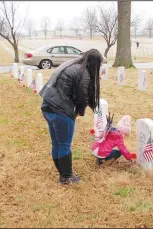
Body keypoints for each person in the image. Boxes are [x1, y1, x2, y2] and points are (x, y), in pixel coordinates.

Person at [39, 49, 103, 185]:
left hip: (47, 106)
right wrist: (80, 111)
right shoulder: (84, 73)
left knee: (57, 143)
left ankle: (62, 172)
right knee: (64, 145)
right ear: (95, 63)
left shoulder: (71, 65)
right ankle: (66, 177)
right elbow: (82, 96)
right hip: (60, 110)